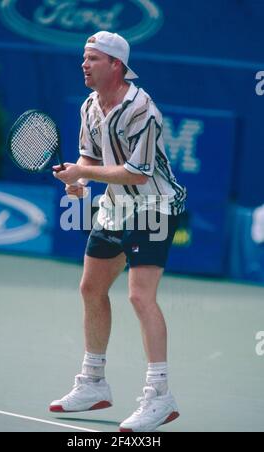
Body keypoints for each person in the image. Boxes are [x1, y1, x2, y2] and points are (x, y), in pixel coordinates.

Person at [49, 31, 187, 432]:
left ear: (116, 65)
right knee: (91, 288)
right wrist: (78, 181)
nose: (84, 64)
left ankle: (159, 397)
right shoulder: (90, 105)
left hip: (153, 207)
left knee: (140, 297)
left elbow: (138, 175)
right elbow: (89, 157)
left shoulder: (142, 109)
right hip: (114, 207)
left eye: (92, 58)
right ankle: (93, 383)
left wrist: (83, 173)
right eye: (83, 58)